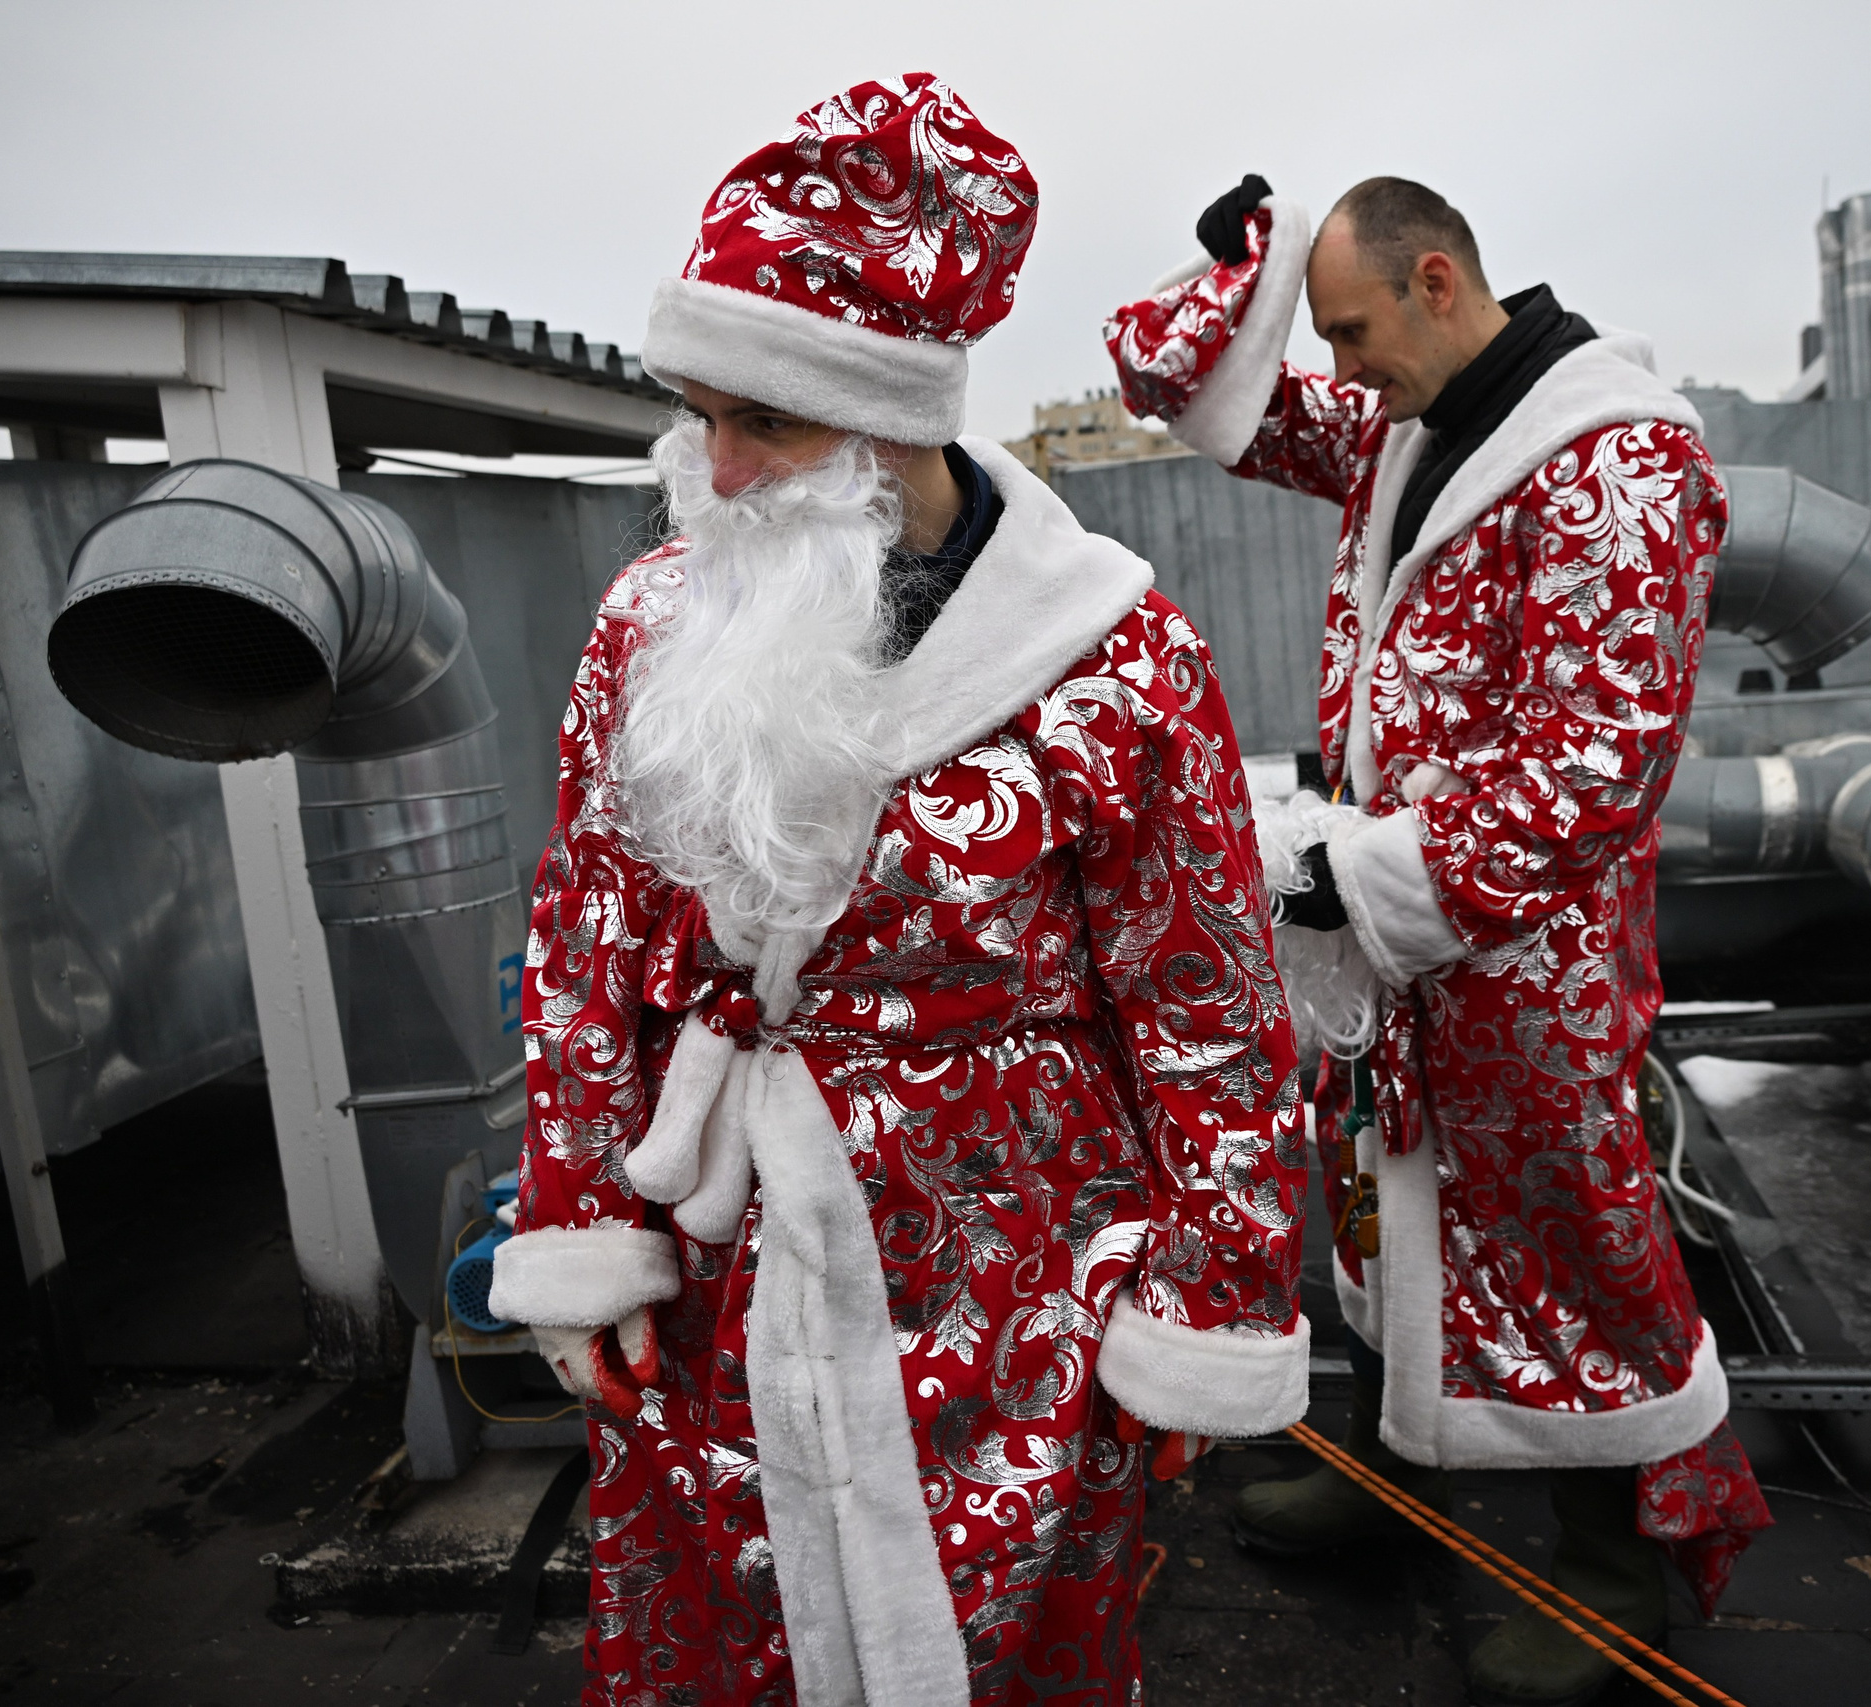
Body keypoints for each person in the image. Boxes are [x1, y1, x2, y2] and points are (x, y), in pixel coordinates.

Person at [490, 79, 1309, 1707]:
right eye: (694, 412)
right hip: (716, 1255)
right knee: (733, 1636)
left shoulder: (1118, 660)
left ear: (897, 421)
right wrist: (584, 1225)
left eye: (767, 425)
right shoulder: (650, 620)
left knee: (1010, 1638)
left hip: (1017, 1276)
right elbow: (586, 934)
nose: (714, 474)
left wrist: (1202, 1311)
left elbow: (1209, 1008)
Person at [1103, 175, 1772, 1705]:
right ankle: (1398, 1463)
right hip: (1399, 946)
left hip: (1528, 960)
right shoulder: (1401, 422)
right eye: (1322, 335)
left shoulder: (1625, 462)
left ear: (1439, 281)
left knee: (1571, 1236)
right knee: (1375, 1206)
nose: (1335, 370)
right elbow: (1184, 390)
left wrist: (1349, 885)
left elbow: (1593, 772)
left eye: (1349, 329)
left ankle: (1613, 1567)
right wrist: (1250, 276)